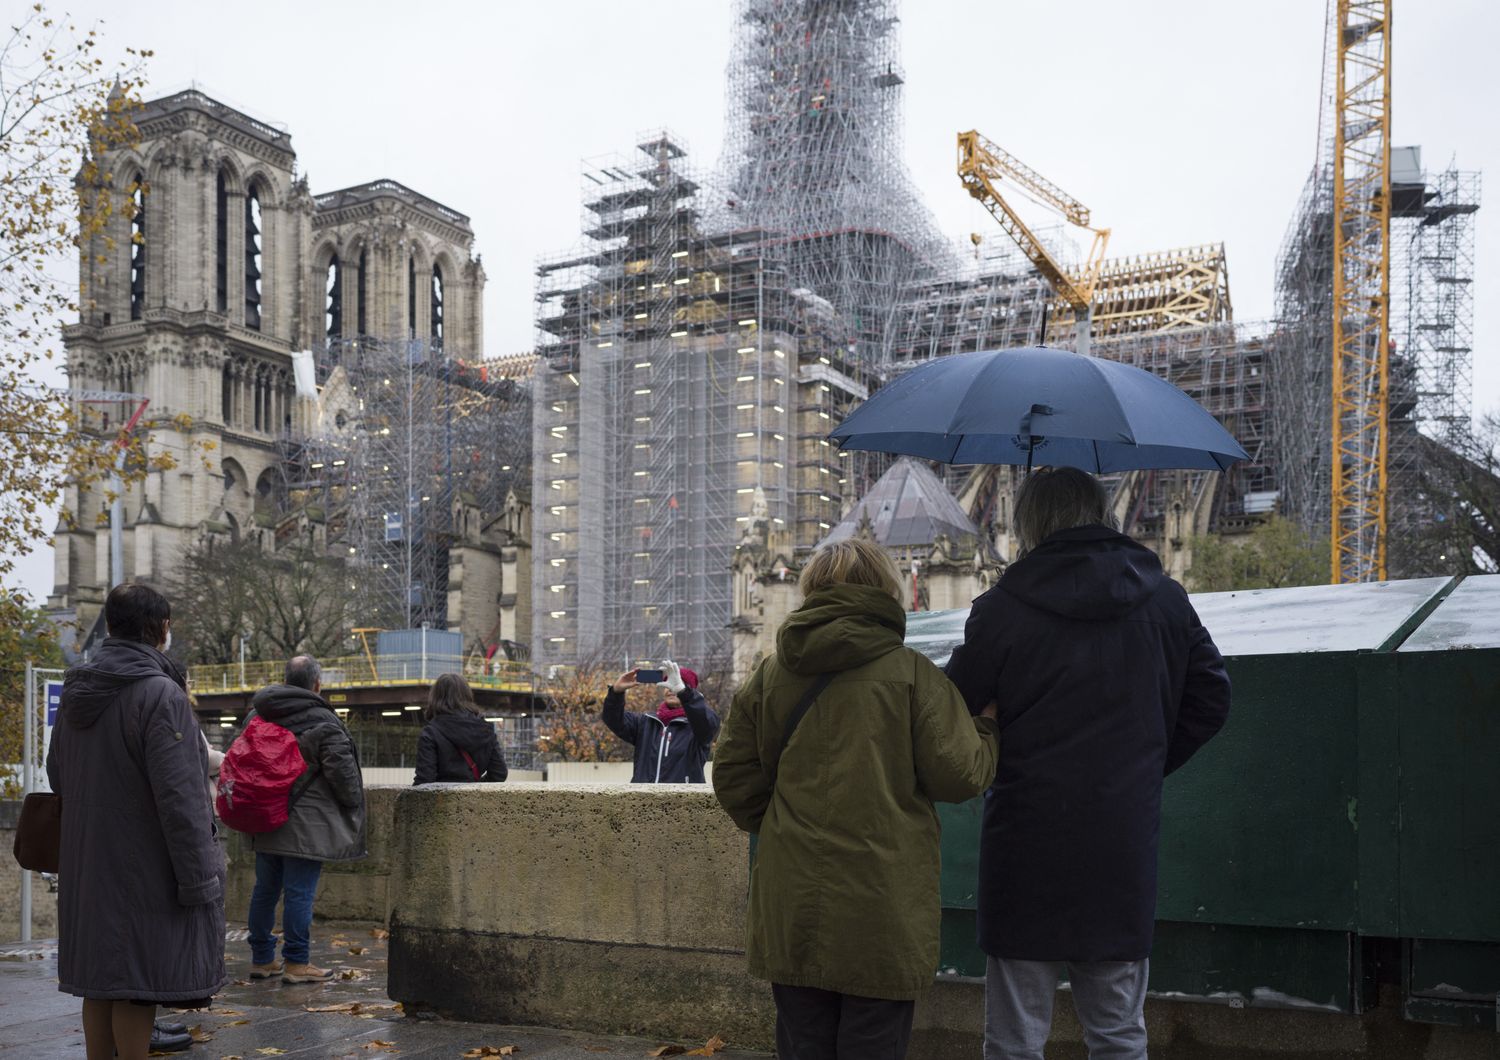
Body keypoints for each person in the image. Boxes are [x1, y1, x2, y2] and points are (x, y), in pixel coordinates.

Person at [943, 467, 1232, 1060]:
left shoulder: (1000, 609)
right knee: (1119, 1033)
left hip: (1025, 840)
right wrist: (1144, 764)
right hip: (1119, 840)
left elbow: (953, 707)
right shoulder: (1167, 600)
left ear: (1029, 524)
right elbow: (1212, 700)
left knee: (1014, 1040)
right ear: (1103, 515)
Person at [714, 538, 1000, 1060]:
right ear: (886, 591)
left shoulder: (771, 673)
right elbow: (962, 774)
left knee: (803, 1045)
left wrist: (783, 824)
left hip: (792, 899)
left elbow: (732, 775)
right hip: (881, 904)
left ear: (812, 591)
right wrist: (987, 727)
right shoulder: (912, 674)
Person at [46, 583, 225, 1060]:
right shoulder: (160, 694)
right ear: (160, 630)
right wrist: (199, 880)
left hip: (87, 859)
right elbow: (182, 800)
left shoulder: (77, 688)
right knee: (133, 981)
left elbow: (57, 772)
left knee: (99, 983)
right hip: (140, 864)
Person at [243, 656, 366, 983]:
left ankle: (261, 959)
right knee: (299, 893)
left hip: (265, 817)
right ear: (317, 685)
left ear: (285, 679)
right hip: (306, 825)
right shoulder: (324, 720)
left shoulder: (258, 713)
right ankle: (297, 964)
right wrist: (353, 805)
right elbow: (344, 777)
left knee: (265, 890)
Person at [601, 659, 720, 783]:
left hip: (683, 800)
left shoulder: (697, 727)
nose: (671, 689)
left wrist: (683, 692)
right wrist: (616, 692)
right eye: (668, 684)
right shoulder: (646, 722)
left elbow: (709, 723)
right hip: (643, 799)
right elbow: (612, 718)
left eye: (677, 683)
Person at [413, 673, 509, 784]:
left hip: (442, 800)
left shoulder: (431, 732)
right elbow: (499, 773)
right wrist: (473, 787)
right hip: (474, 800)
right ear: (467, 695)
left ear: (435, 697)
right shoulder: (486, 729)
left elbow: (425, 781)